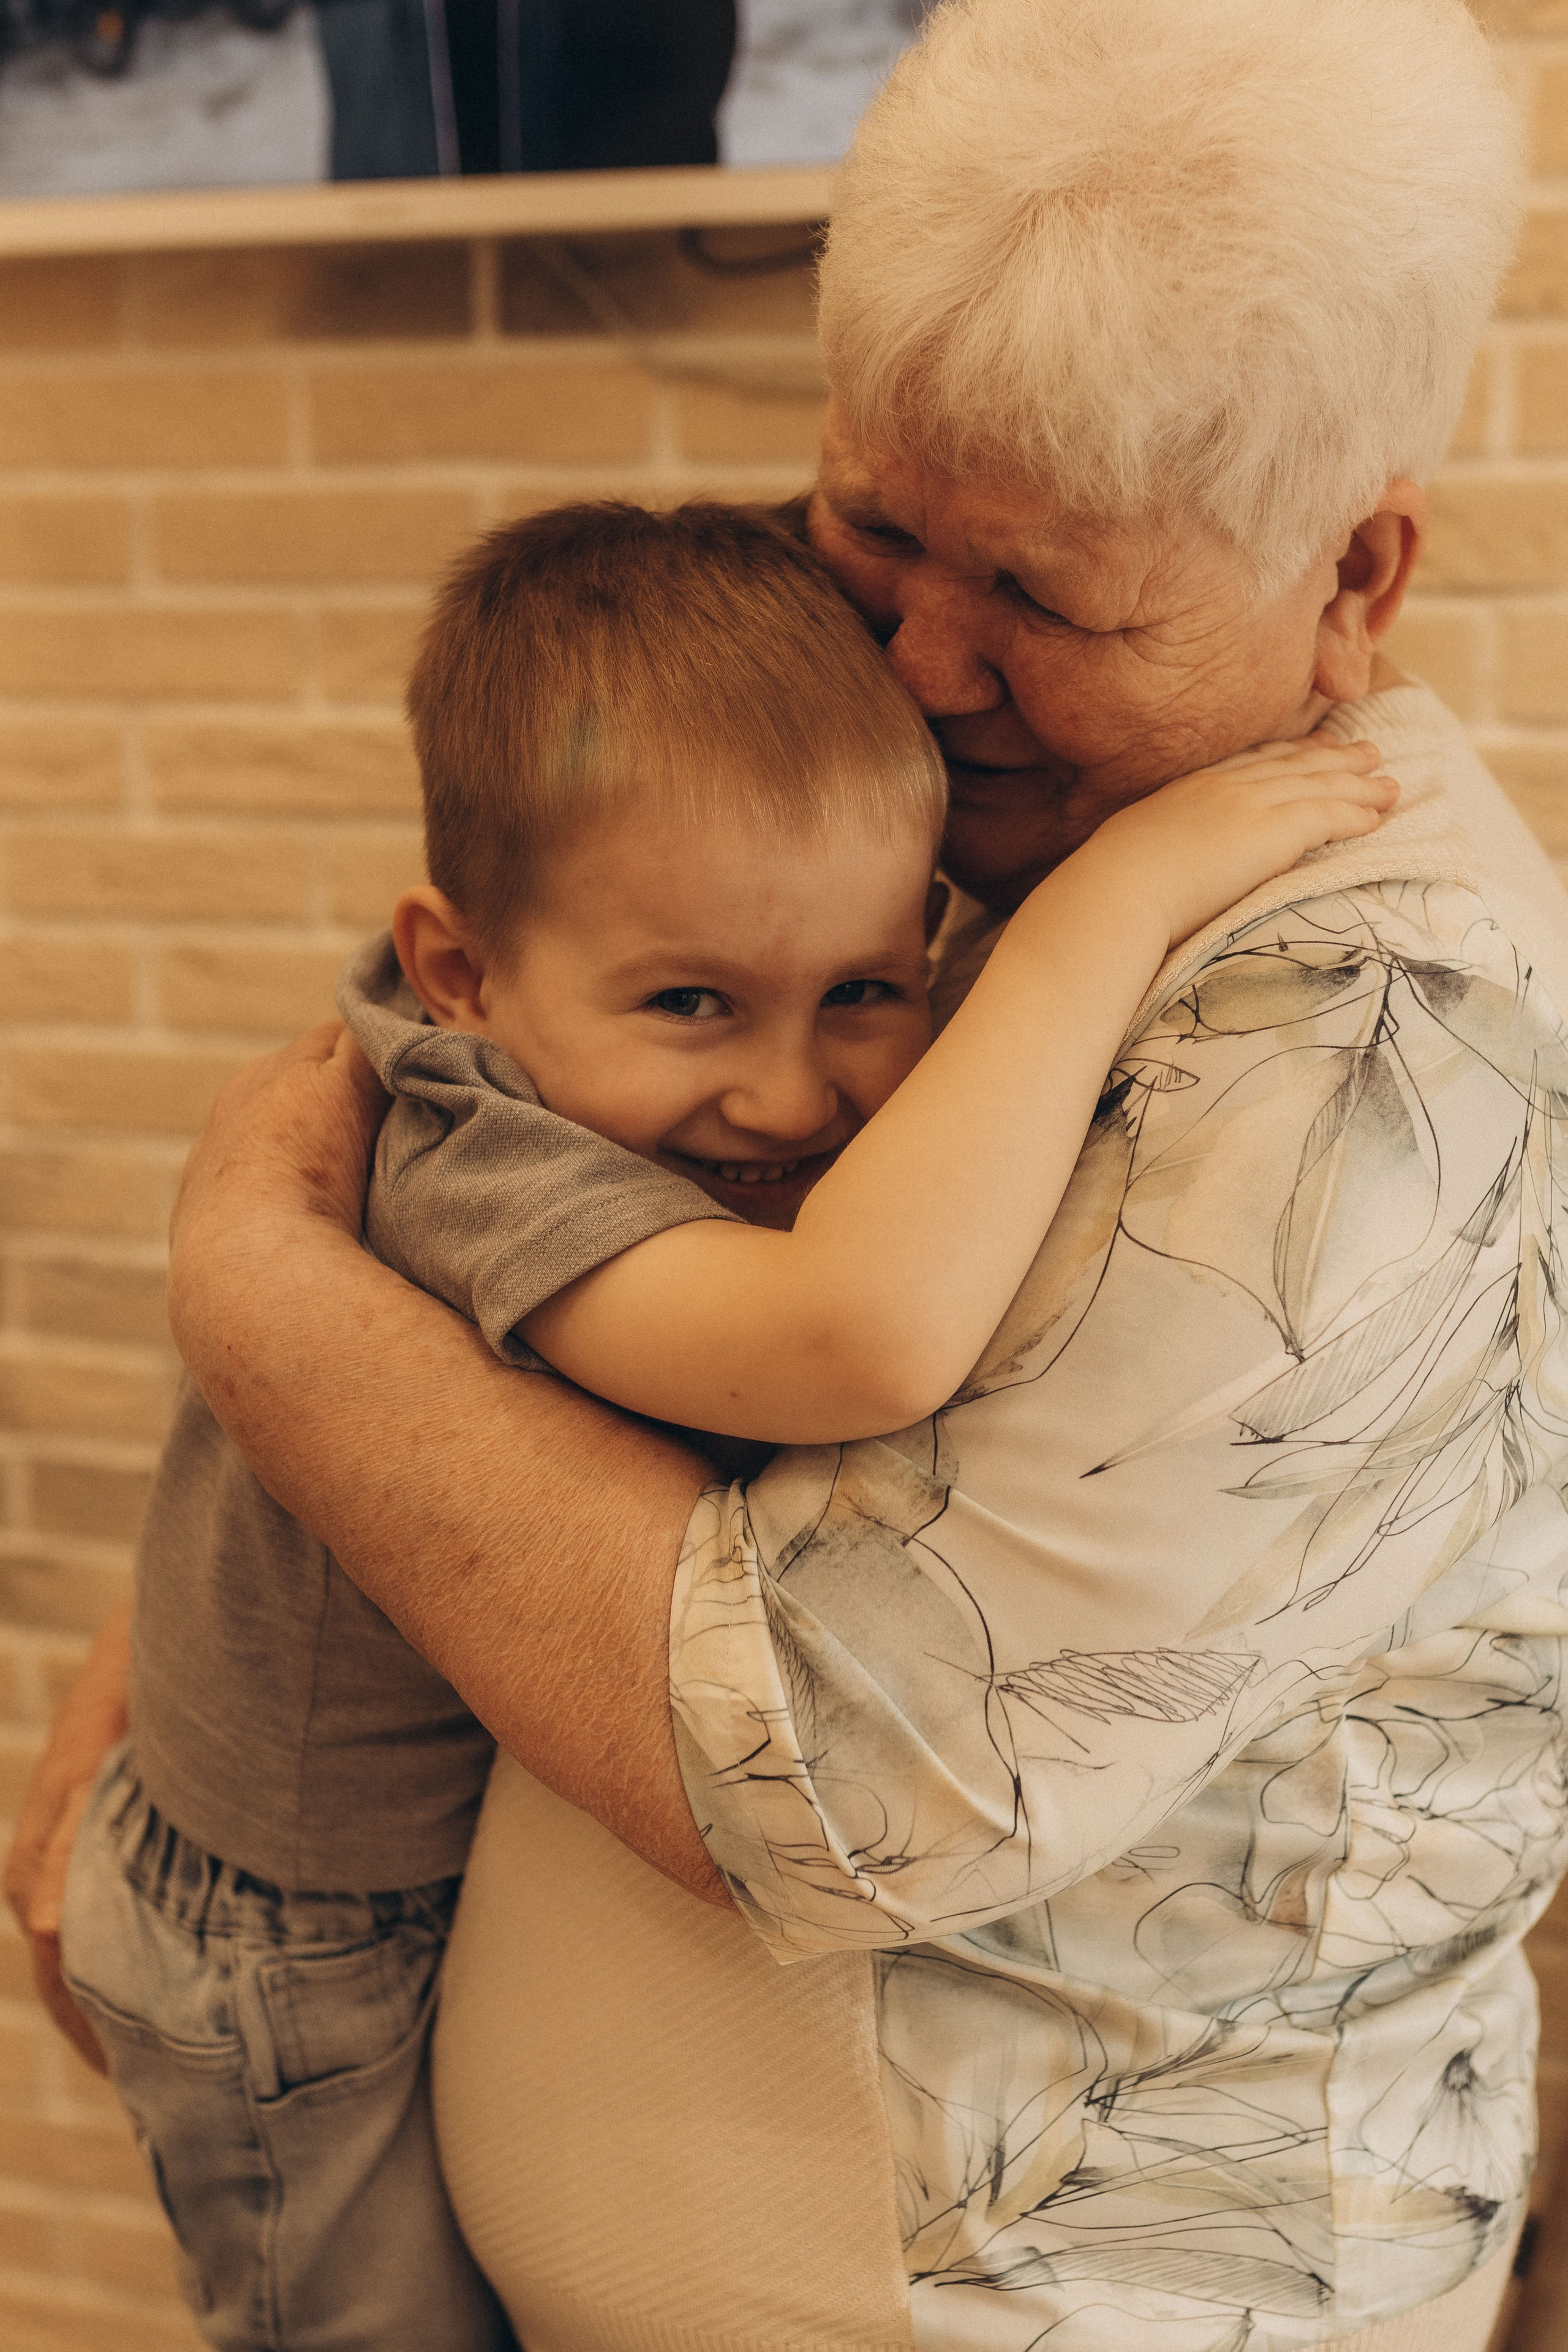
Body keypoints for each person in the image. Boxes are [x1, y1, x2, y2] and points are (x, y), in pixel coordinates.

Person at [9, 0, 1558, 2346]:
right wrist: (202, 1654)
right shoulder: (974, 768)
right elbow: (473, 1115)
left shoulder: (1378, 1027)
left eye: (1044, 601)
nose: (920, 658)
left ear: (1354, 571)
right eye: (876, 524)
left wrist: (251, 1292)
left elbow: (845, 1767)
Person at [43, 496, 1392, 2352]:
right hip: (286, 1946)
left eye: (863, 992)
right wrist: (1115, 903)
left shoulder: (580, 997)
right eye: (692, 1005)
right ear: (460, 975)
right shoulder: (479, 1161)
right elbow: (837, 1347)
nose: (785, 1097)